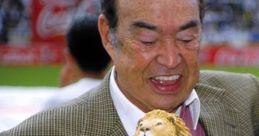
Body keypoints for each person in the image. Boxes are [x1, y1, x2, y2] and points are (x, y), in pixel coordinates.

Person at [1, 0, 259, 135]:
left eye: (186, 38)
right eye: (148, 40)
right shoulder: (47, 132)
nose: (170, 59)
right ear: (107, 35)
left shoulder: (248, 99)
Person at [44, 15, 111, 109]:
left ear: (69, 58)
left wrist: (63, 90)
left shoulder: (55, 102)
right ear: (111, 55)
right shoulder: (129, 101)